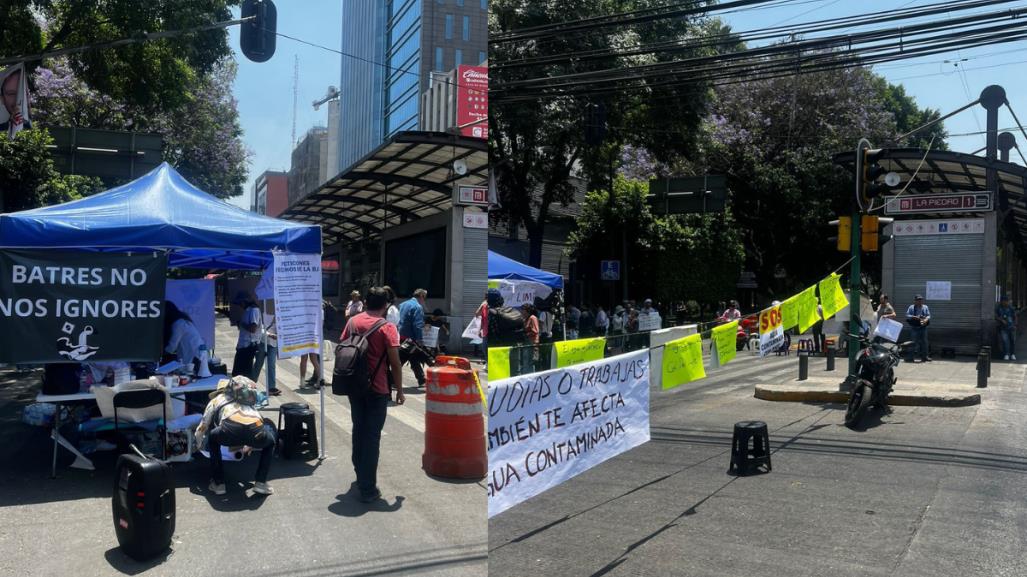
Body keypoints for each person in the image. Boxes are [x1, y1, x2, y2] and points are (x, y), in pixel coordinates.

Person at [338, 287, 405, 503]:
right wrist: (400, 390)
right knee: (372, 436)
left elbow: (342, 346)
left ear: (366, 302)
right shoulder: (388, 328)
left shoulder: (352, 322)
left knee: (359, 429)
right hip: (377, 389)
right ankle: (367, 488)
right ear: (386, 305)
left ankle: (361, 474)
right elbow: (395, 363)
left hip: (354, 386)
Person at [195, 376, 276, 496]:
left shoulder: (217, 400)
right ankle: (261, 482)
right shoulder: (246, 399)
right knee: (270, 442)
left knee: (213, 438)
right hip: (256, 429)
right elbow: (255, 420)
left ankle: (219, 483)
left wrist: (198, 443)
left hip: (229, 430)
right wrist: (250, 443)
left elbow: (204, 425)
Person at [163, 301, 205, 373]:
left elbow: (172, 347)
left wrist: (161, 353)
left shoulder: (178, 324)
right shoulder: (182, 320)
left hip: (193, 355)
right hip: (194, 353)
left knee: (190, 374)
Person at [398, 288, 428, 387]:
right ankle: (391, 379)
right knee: (402, 359)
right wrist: (420, 339)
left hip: (401, 335)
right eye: (425, 298)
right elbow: (418, 325)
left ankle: (421, 379)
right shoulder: (417, 307)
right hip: (411, 338)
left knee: (413, 357)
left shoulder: (402, 305)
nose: (425, 300)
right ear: (421, 296)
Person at [231, 293, 262, 379]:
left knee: (244, 373)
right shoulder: (248, 310)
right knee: (238, 373)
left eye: (240, 303)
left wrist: (242, 324)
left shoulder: (254, 310)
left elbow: (253, 328)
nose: (240, 306)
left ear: (245, 302)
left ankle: (247, 390)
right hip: (243, 345)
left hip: (248, 346)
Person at [0, 68, 30, 134]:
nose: (18, 98)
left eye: (23, 93)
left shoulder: (31, 126)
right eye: (11, 93)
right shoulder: (2, 127)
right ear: (2, 98)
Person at [905, 295, 932, 362]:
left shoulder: (925, 307)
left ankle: (925, 357)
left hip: (923, 327)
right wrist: (914, 317)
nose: (920, 301)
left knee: (924, 342)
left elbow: (928, 315)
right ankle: (910, 357)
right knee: (913, 342)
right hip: (914, 327)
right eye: (918, 300)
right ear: (915, 301)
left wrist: (926, 319)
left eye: (921, 300)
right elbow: (907, 315)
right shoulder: (911, 307)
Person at [996, 295, 1017, 360]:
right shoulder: (998, 308)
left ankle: (1012, 354)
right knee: (1005, 341)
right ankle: (1006, 354)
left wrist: (1015, 325)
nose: (1005, 302)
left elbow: (1015, 316)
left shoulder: (1011, 308)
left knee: (1012, 341)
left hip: (1012, 327)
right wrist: (1001, 320)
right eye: (1004, 301)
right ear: (1001, 301)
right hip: (1003, 328)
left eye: (1006, 301)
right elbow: (995, 316)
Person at [521, 303, 540, 374]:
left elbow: (536, 331)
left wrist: (526, 334)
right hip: (527, 342)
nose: (522, 312)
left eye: (523, 310)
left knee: (529, 362)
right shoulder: (525, 319)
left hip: (532, 343)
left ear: (527, 311)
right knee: (526, 361)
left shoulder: (532, 318)